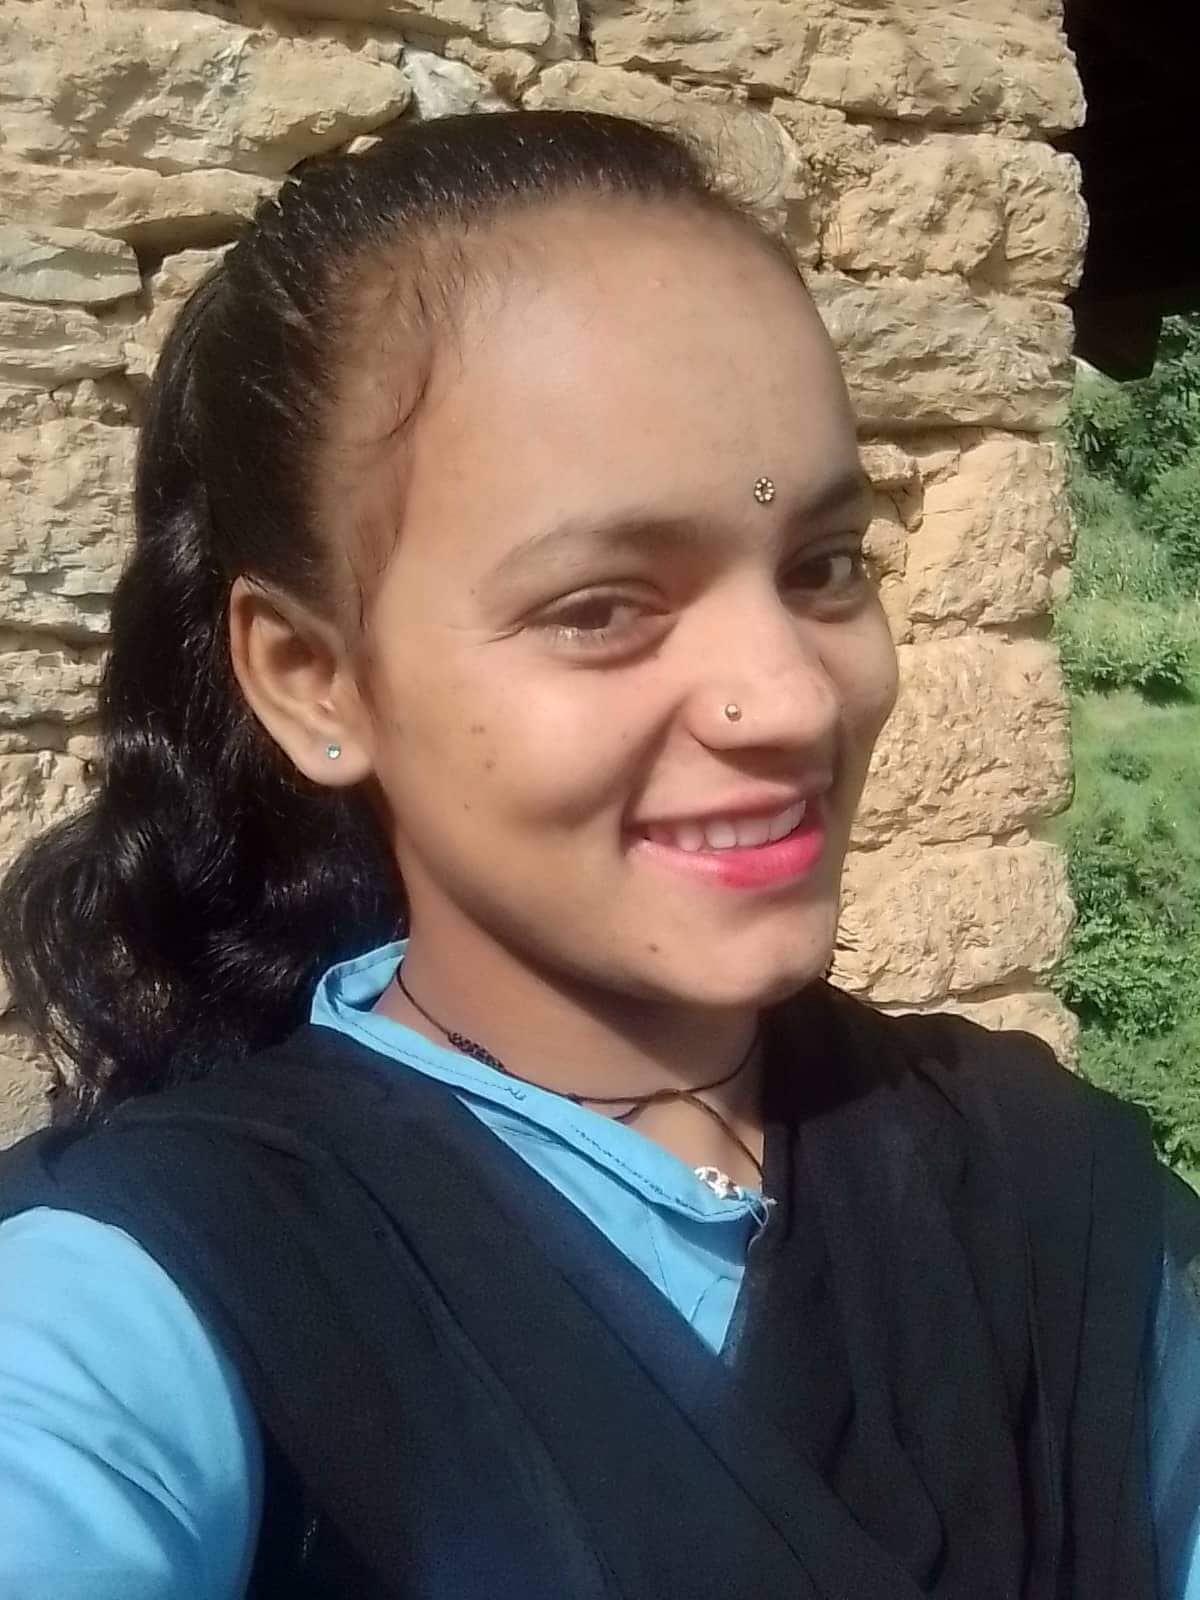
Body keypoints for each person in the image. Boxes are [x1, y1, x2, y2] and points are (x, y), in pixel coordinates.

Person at [0, 109, 1195, 1600]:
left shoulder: (1038, 1183)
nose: (793, 699)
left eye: (825, 567)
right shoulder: (160, 1299)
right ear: (316, 680)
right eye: (600, 607)